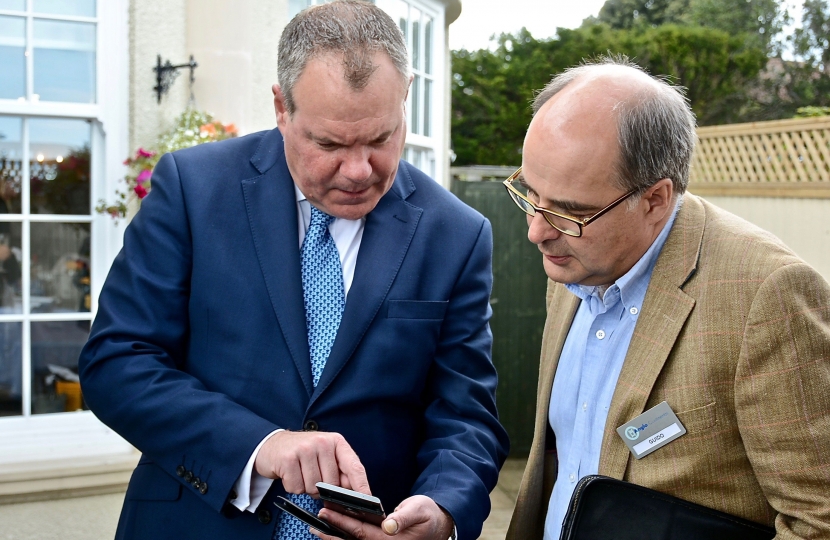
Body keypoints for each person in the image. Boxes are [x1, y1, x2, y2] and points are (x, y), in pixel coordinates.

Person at [78, 2, 508, 539]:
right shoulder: (192, 188)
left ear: (406, 96)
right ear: (282, 107)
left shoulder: (458, 234)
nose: (358, 170)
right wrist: (260, 445)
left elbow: (466, 417)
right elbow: (116, 362)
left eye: (380, 139)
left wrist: (443, 508)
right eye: (329, 143)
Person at [504, 57, 830, 540]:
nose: (536, 232)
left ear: (655, 199)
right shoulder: (574, 264)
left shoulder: (769, 297)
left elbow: (819, 519)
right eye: (530, 195)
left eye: (570, 212)